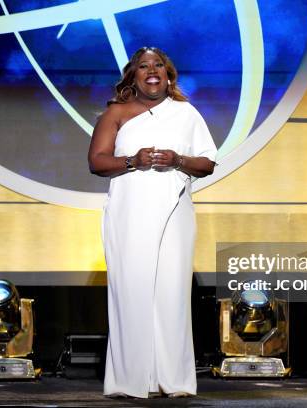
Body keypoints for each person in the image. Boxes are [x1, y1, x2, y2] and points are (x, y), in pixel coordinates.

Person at [88, 46, 217, 399]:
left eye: (158, 64)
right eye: (143, 66)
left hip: (175, 213)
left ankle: (173, 381)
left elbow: (207, 163)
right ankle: (132, 381)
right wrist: (134, 160)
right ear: (134, 75)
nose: (152, 70)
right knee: (132, 291)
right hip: (129, 215)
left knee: (172, 294)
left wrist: (178, 159)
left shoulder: (186, 113)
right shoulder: (117, 113)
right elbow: (97, 162)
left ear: (168, 73)